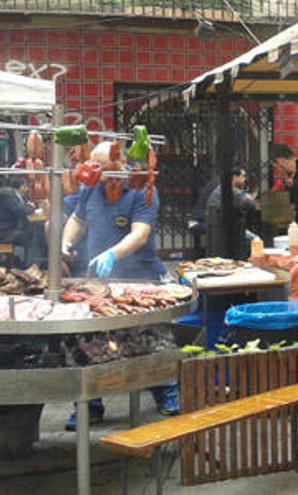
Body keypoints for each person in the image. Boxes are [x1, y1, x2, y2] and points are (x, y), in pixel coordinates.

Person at [60, 142, 178, 429]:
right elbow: (77, 219)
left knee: (150, 338)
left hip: (140, 276)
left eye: (106, 168)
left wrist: (113, 254)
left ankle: (168, 393)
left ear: (121, 164)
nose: (101, 175)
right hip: (98, 281)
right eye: (96, 168)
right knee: (90, 341)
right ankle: (90, 403)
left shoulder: (140, 190)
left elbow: (140, 234)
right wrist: (66, 241)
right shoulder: (90, 187)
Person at [205, 166, 258, 257]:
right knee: (256, 240)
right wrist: (251, 196)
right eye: (243, 176)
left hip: (219, 228)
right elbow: (251, 205)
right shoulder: (231, 191)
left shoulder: (222, 189)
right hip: (227, 231)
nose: (245, 179)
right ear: (234, 177)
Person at [0, 176, 34, 255]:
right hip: (4, 233)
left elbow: (22, 207)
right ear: (21, 187)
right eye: (26, 186)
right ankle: (27, 263)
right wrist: (31, 207)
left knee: (31, 232)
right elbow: (21, 211)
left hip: (6, 229)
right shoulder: (8, 196)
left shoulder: (14, 195)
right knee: (33, 235)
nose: (27, 189)